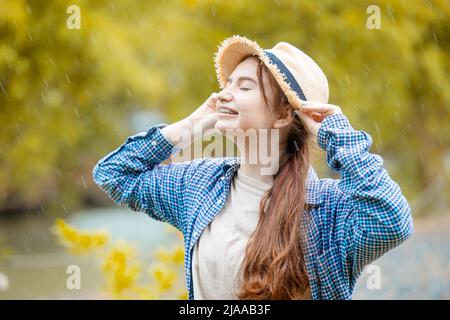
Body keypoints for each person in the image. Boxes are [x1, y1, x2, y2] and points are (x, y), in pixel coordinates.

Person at [92, 35, 414, 300]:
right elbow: (113, 174)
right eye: (228, 84)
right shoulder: (198, 186)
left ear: (284, 115)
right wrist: (189, 126)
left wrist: (335, 134)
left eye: (243, 87)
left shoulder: (327, 210)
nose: (223, 95)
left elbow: (392, 220)